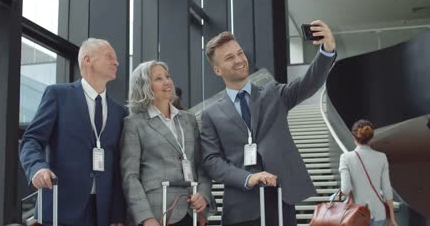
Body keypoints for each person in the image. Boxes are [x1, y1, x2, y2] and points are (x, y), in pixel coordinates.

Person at [200, 20, 337, 226]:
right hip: (241, 209)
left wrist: (327, 51)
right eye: (230, 57)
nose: (239, 60)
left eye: (240, 53)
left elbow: (309, 83)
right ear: (217, 70)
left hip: (281, 200)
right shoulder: (210, 114)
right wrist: (247, 178)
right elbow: (211, 161)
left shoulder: (273, 93)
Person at [19, 38, 127, 226]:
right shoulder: (58, 95)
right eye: (110, 57)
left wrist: (117, 213)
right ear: (87, 60)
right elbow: (31, 140)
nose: (116, 62)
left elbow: (118, 166)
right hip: (60, 204)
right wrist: (36, 167)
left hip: (102, 211)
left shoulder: (119, 112)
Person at [121, 60, 214, 226]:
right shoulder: (134, 123)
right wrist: (145, 218)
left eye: (168, 76)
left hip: (191, 210)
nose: (167, 81)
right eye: (158, 78)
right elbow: (130, 177)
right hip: (157, 213)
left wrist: (204, 195)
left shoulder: (189, 119)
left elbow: (201, 165)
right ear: (144, 86)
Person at [339, 120, 398, 226]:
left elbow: (345, 189)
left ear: (354, 137)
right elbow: (387, 190)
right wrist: (392, 219)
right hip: (379, 214)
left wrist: (333, 198)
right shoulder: (381, 157)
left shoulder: (346, 157)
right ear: (370, 137)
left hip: (357, 215)